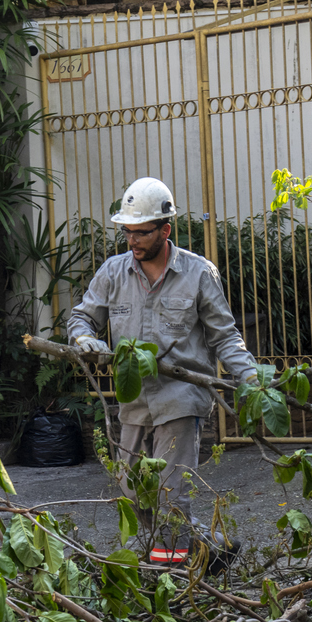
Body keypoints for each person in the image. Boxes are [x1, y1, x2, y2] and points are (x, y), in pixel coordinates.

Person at [67, 177, 256, 569]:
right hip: (134, 398)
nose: (132, 241)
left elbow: (225, 337)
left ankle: (168, 577)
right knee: (133, 489)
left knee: (171, 493)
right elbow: (83, 317)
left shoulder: (199, 273)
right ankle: (210, 545)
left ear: (165, 229)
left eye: (141, 232)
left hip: (181, 397)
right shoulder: (113, 273)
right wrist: (85, 340)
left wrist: (253, 381)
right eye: (127, 232)